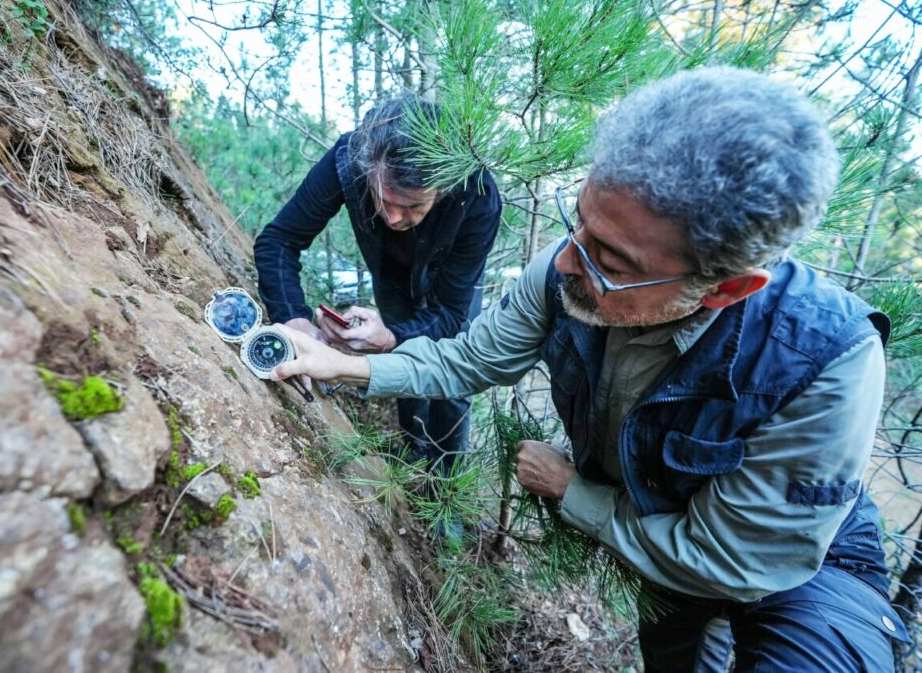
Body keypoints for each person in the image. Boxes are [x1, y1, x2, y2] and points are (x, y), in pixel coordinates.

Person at [270, 67, 910, 670]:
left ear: (725, 290)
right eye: (579, 222)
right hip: (662, 553)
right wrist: (339, 365)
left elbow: (736, 561)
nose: (569, 262)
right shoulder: (568, 266)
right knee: (676, 653)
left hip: (805, 570)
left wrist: (576, 493)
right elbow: (467, 357)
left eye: (612, 260)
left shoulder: (828, 360)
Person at [254, 96, 501, 469]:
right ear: (369, 167)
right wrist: (295, 319)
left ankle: (445, 483)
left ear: (445, 187)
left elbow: (450, 312)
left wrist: (389, 336)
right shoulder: (350, 158)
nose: (393, 216)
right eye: (384, 198)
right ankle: (411, 450)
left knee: (453, 382)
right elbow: (279, 241)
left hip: (455, 283)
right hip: (392, 272)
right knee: (402, 358)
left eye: (414, 206)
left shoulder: (478, 194)